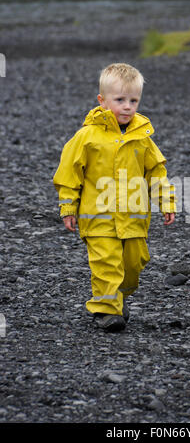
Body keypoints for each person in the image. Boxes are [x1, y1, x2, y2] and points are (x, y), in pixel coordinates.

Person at [53, 63, 176, 332]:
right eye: (120, 100)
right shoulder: (87, 136)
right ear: (103, 100)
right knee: (106, 263)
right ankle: (106, 310)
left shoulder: (142, 138)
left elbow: (157, 171)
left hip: (134, 216)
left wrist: (166, 201)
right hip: (96, 216)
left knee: (134, 263)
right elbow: (68, 174)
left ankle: (119, 296)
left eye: (133, 100)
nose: (128, 106)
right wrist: (68, 207)